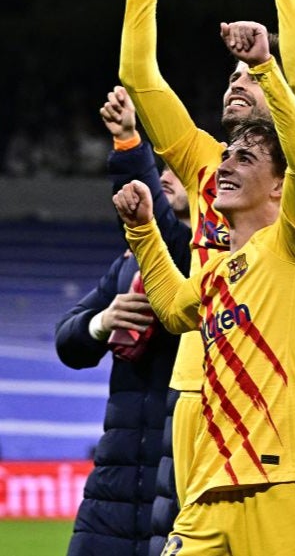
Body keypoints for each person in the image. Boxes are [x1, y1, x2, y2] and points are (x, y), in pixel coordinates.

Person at [118, 0, 295, 511]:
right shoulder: (209, 164)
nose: (236, 82)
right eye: (231, 76)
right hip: (196, 381)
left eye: (252, 76)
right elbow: (139, 77)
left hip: (275, 385)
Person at [55, 86, 190, 556]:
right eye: (163, 169)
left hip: (176, 491)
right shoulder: (127, 265)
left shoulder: (212, 261)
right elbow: (67, 343)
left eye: (181, 170)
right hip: (111, 489)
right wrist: (100, 321)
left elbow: (169, 241)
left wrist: (132, 146)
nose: (168, 178)